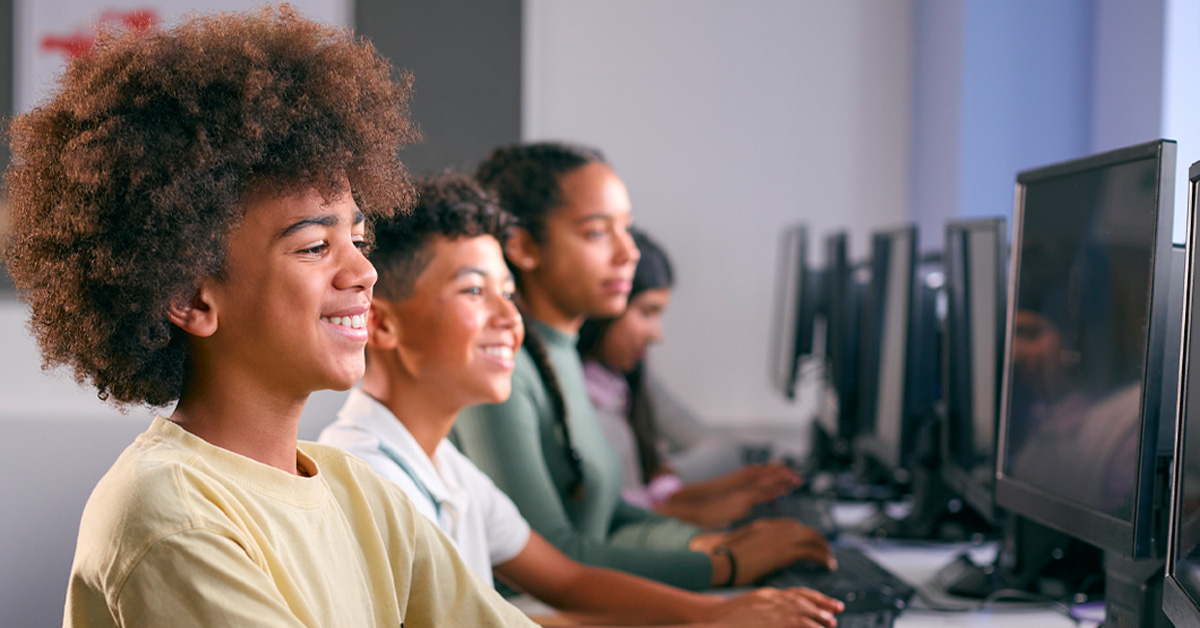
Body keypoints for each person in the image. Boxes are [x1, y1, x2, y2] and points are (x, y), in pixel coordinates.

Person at [4, 7, 533, 626]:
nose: (364, 274)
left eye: (358, 241)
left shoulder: (362, 495)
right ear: (192, 300)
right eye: (314, 247)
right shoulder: (170, 514)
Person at [318, 172, 843, 628]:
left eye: (507, 292)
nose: (509, 318)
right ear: (382, 323)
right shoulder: (367, 474)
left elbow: (567, 580)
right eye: (475, 292)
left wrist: (717, 612)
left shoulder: (445, 466)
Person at [451, 142, 836, 591]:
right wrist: (722, 564)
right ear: (524, 246)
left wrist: (708, 544)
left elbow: (609, 516)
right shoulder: (504, 370)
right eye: (597, 233)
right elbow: (549, 559)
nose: (628, 253)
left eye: (626, 229)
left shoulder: (559, 353)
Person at [578, 229, 802, 528]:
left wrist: (669, 484)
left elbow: (711, 448)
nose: (657, 334)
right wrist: (707, 505)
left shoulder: (623, 381)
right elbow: (612, 520)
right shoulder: (577, 394)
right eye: (647, 312)